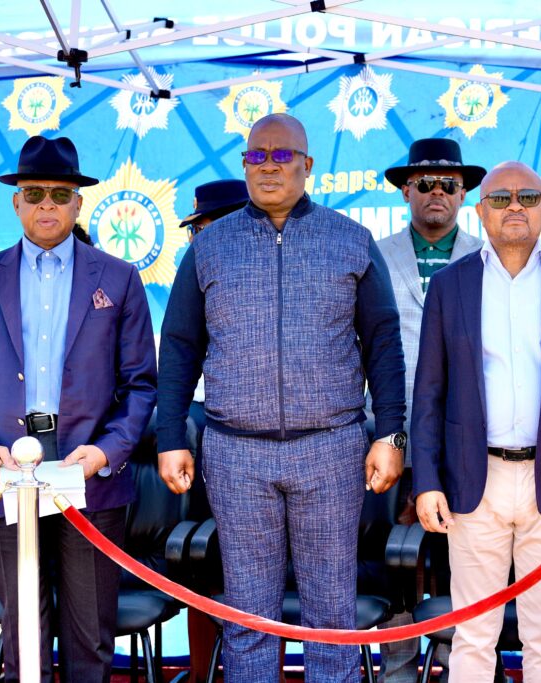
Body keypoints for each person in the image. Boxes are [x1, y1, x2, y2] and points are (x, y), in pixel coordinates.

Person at [156, 113, 406, 683]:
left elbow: (384, 343)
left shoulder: (350, 240)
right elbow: (178, 347)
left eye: (282, 155)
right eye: (257, 156)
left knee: (330, 615)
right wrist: (171, 435)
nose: (269, 166)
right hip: (236, 454)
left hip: (331, 450)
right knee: (248, 614)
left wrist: (390, 433)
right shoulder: (210, 248)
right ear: (244, 165)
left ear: (307, 164)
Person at [0, 136, 158, 682]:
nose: (46, 205)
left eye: (60, 194)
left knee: (91, 641)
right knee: (20, 640)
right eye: (33, 193)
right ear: (16, 202)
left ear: (78, 203)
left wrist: (102, 454)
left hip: (88, 475)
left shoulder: (118, 279)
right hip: (5, 473)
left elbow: (141, 386)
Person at [412, 161, 541, 682]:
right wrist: (427, 482)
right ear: (480, 211)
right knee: (472, 636)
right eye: (501, 199)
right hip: (471, 480)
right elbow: (429, 395)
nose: (514, 208)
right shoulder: (449, 286)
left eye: (527, 198)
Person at [376, 137, 485, 683]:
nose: (436, 193)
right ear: (405, 193)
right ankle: (397, 662)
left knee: (457, 555)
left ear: (464, 194)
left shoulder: (489, 257)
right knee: (391, 554)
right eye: (424, 184)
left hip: (463, 437)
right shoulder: (374, 253)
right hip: (389, 431)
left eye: (448, 184)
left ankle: (449, 662)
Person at [173, 177, 250, 683]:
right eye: (195, 229)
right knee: (207, 570)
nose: (199, 238)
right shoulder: (197, 268)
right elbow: (179, 350)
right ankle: (205, 672)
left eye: (207, 226)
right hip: (211, 434)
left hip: (285, 443)